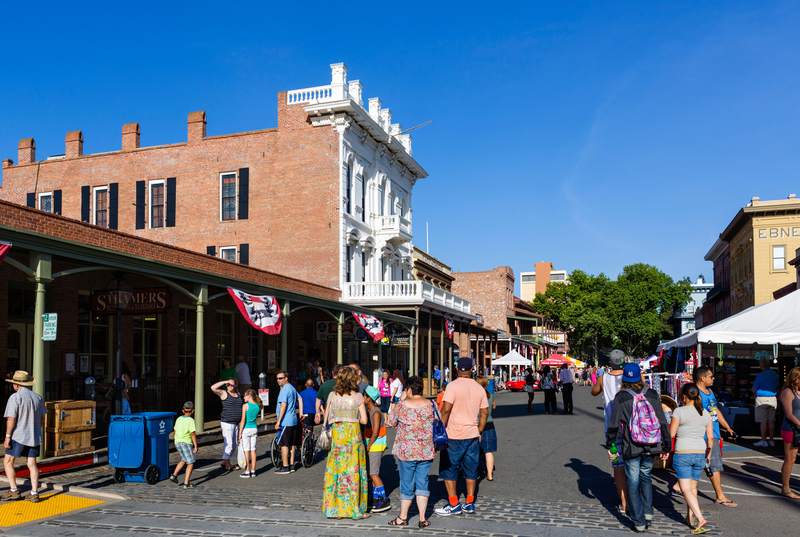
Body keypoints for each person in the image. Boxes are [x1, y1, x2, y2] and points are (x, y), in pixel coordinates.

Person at [606, 364, 670, 533]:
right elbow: (662, 421)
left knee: (632, 483)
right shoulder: (652, 393)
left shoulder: (621, 397)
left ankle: (639, 522)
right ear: (640, 377)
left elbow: (613, 425)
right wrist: (666, 446)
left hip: (631, 445)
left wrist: (611, 445)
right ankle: (648, 514)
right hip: (651, 444)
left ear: (624, 378)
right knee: (646, 477)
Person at [435, 357, 488, 516]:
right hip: (472, 434)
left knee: (449, 469)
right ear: (472, 370)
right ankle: (470, 503)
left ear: (457, 369)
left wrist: (440, 430)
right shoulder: (479, 388)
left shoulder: (452, 386)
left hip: (453, 434)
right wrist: (479, 430)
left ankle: (454, 504)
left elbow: (446, 410)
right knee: (471, 470)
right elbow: (484, 412)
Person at [386, 376, 437, 528]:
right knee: (423, 482)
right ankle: (422, 518)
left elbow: (392, 421)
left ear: (408, 390)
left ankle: (403, 517)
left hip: (406, 451)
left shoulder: (402, 406)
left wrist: (400, 400)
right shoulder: (432, 404)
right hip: (426, 450)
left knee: (406, 483)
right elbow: (439, 422)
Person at [323, 366, 370, 519]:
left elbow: (329, 418)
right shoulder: (357, 397)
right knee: (353, 472)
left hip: (338, 438)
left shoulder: (332, 396)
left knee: (337, 472)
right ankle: (354, 510)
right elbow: (363, 420)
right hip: (352, 439)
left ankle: (335, 510)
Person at [670, 384, 714, 534]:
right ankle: (689, 518)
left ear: (683, 396)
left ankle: (699, 518)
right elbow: (711, 437)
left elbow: (672, 434)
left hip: (683, 452)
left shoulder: (679, 411)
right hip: (700, 453)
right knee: (693, 488)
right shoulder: (705, 413)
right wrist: (708, 454)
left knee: (685, 488)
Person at [693, 366, 738, 507]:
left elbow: (715, 410)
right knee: (714, 465)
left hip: (714, 433)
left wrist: (727, 427)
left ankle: (678, 486)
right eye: (711, 376)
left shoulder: (710, 392)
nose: (713, 379)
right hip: (706, 435)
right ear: (702, 378)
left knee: (703, 463)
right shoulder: (696, 393)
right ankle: (720, 496)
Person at [2, 371, 47, 502]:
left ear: (16, 385)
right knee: (32, 464)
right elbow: (42, 417)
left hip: (18, 435)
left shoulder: (15, 397)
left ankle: (13, 490)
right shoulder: (37, 397)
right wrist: (36, 429)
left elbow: (11, 419)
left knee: (8, 461)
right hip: (34, 435)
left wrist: (7, 436)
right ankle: (34, 492)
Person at [592, 349, 627, 513]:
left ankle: (624, 500)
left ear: (609, 363)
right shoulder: (630, 378)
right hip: (631, 426)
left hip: (612, 429)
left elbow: (594, 392)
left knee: (617, 464)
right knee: (633, 463)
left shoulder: (603, 378)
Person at [364, 386, 391, 513]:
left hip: (376, 445)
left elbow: (375, 433)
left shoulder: (375, 412)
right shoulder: (369, 411)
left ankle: (383, 498)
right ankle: (375, 498)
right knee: (371, 473)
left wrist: (368, 447)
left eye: (364, 396)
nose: (362, 398)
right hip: (372, 445)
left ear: (369, 398)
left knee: (373, 473)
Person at [211, 378, 244, 471]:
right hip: (227, 423)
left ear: (235, 385)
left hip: (236, 423)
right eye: (228, 384)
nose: (230, 386)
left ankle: (225, 460)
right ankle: (227, 464)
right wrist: (225, 382)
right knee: (228, 443)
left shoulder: (238, 394)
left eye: (232, 384)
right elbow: (213, 388)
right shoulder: (224, 393)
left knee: (234, 444)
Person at [275, 370, 302, 474]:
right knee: (291, 444)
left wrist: (278, 421)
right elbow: (300, 399)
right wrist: (301, 413)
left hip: (285, 421)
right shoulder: (292, 388)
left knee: (284, 444)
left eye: (280, 378)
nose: (278, 380)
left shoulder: (284, 389)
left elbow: (283, 405)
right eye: (277, 378)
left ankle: (285, 466)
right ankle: (291, 465)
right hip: (293, 420)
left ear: (286, 378)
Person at [779, 367, 800, 499]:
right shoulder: (787, 392)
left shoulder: (798, 392)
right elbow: (789, 414)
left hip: (797, 428)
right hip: (791, 429)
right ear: (795, 378)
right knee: (790, 459)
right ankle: (785, 488)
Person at [169, 401, 199, 489]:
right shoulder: (191, 420)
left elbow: (175, 430)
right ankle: (186, 483)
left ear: (183, 411)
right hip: (185, 442)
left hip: (177, 442)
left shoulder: (178, 419)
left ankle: (174, 475)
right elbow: (192, 433)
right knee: (191, 462)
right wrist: (195, 445)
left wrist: (177, 438)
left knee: (184, 459)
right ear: (193, 411)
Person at [751, 356, 779, 447]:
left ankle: (763, 440)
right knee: (771, 420)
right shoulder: (775, 374)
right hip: (773, 398)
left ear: (761, 365)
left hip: (762, 399)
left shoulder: (760, 375)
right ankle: (771, 440)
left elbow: (754, 388)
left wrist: (753, 393)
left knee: (763, 421)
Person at [476, 376, 497, 481]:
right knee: (489, 451)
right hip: (489, 424)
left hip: (477, 425)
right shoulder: (490, 396)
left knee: (474, 450)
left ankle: (473, 473)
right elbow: (494, 407)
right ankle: (489, 474)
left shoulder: (475, 397)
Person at [237, 389, 262, 478]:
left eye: (245, 395)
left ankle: (247, 471)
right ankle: (253, 471)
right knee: (253, 450)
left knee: (246, 451)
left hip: (246, 430)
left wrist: (240, 432)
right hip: (254, 428)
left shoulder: (245, 406)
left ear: (249, 396)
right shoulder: (257, 406)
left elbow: (243, 420)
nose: (244, 397)